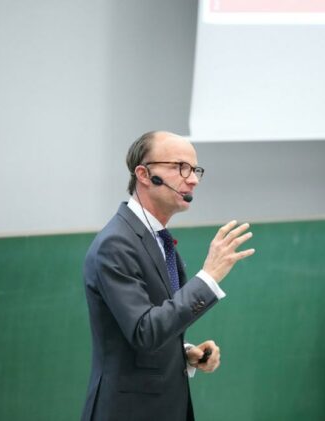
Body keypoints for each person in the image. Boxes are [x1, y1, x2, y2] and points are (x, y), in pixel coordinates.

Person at [80, 131, 255, 421]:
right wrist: (209, 277)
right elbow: (145, 331)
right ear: (144, 174)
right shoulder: (116, 244)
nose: (193, 179)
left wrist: (184, 353)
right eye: (180, 167)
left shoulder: (155, 238)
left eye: (195, 169)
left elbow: (151, 324)